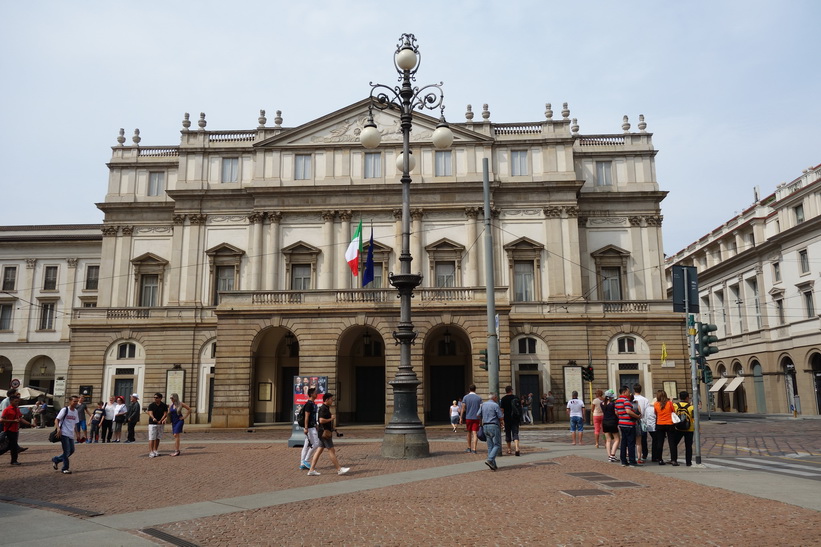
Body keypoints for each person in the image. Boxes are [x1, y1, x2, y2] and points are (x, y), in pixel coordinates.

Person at [307, 393, 349, 476]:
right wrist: (331, 419)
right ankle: (339, 469)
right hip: (324, 433)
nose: (332, 400)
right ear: (326, 400)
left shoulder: (326, 408)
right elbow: (321, 420)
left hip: (323, 433)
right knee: (331, 451)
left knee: (319, 451)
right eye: (331, 399)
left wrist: (333, 428)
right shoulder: (323, 409)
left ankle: (311, 469)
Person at [1, 392, 32, 465]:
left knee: (12, 446)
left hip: (15, 430)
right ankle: (14, 460)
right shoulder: (7, 410)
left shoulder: (17, 409)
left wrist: (30, 424)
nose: (17, 403)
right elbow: (2, 420)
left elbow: (20, 418)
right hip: (9, 430)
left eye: (18, 401)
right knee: (11, 446)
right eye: (15, 401)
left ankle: (14, 460)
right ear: (11, 401)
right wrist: (13, 421)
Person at [52, 395, 80, 474]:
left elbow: (75, 424)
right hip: (64, 433)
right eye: (74, 401)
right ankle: (65, 468)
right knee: (66, 451)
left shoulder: (75, 411)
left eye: (77, 401)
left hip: (71, 433)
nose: (76, 403)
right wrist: (58, 428)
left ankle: (56, 459)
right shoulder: (65, 410)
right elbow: (57, 419)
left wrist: (78, 434)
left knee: (71, 450)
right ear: (70, 401)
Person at [615, 385, 641, 466]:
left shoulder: (617, 401)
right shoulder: (626, 401)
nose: (629, 393)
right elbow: (628, 411)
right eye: (628, 391)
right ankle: (632, 461)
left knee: (624, 442)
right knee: (631, 443)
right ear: (624, 392)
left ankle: (623, 461)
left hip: (622, 423)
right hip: (629, 424)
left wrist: (621, 417)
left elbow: (616, 412)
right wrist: (637, 417)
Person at [478, 392, 504, 471]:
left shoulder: (483, 405)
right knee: (497, 445)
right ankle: (490, 459)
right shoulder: (495, 405)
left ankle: (493, 464)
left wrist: (481, 423)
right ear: (495, 398)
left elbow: (478, 414)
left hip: (485, 425)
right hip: (493, 425)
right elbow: (500, 417)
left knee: (490, 446)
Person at [653, 390, 678, 465]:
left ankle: (660, 459)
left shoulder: (656, 404)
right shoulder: (669, 403)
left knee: (660, 442)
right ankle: (673, 460)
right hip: (669, 424)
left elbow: (655, 413)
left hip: (660, 424)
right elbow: (673, 411)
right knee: (672, 443)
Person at [300, 388, 319, 470]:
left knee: (306, 445)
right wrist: (306, 427)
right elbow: (307, 417)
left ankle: (302, 463)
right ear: (311, 394)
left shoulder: (313, 403)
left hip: (312, 426)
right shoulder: (309, 404)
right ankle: (306, 460)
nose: (316, 394)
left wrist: (316, 424)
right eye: (315, 393)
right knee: (316, 443)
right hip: (310, 427)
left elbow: (313, 416)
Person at [674, 391, 695, 466]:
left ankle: (674, 460)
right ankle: (688, 462)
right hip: (689, 429)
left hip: (678, 428)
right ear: (687, 398)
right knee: (688, 446)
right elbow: (693, 418)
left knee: (674, 444)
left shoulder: (675, 405)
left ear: (679, 397)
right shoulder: (691, 407)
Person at [499, 386, 521, 456]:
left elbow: (502, 410)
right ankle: (517, 448)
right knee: (515, 433)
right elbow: (520, 407)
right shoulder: (516, 398)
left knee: (508, 433)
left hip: (507, 418)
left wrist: (501, 420)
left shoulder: (503, 399)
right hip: (515, 418)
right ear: (511, 390)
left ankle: (509, 449)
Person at [460, 385, 482, 454]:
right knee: (475, 433)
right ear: (475, 389)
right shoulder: (479, 398)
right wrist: (481, 419)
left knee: (469, 432)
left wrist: (461, 417)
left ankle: (469, 447)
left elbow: (463, 408)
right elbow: (481, 408)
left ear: (469, 389)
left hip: (468, 417)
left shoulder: (465, 397)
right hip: (476, 417)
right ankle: (474, 449)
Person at [145, 392, 169, 458]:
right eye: (154, 397)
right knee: (151, 438)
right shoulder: (151, 405)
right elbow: (150, 413)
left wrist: (161, 420)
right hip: (152, 423)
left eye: (157, 398)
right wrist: (153, 418)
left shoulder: (163, 405)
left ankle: (155, 450)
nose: (155, 399)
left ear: (160, 398)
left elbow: (165, 413)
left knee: (158, 437)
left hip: (160, 423)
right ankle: (151, 451)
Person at [632, 383, 650, 464]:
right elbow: (647, 412)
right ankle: (644, 454)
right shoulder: (645, 399)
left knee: (633, 439)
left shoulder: (631, 399)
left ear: (633, 390)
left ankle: (634, 455)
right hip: (642, 420)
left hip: (633, 420)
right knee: (643, 439)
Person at [601, 390, 620, 462]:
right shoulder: (612, 404)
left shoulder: (602, 404)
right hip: (612, 422)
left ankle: (609, 456)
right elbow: (616, 413)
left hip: (605, 422)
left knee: (608, 440)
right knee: (617, 439)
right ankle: (613, 454)